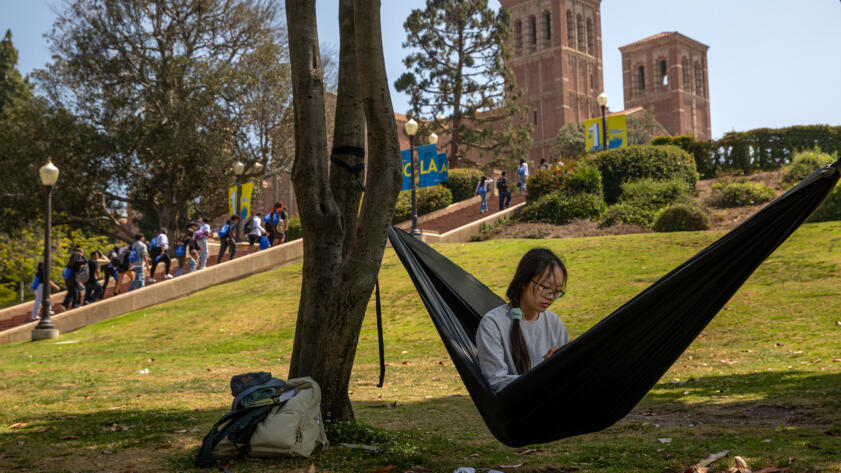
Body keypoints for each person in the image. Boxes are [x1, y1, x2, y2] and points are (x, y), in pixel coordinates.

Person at [475, 248, 569, 393]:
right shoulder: (492, 325)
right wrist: (543, 372)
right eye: (545, 287)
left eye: (556, 291)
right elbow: (497, 383)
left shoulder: (555, 324)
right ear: (523, 282)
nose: (550, 296)